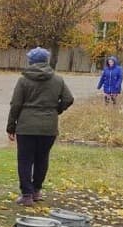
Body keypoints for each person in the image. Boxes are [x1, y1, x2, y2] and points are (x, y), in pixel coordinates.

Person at [7, 47, 74, 206]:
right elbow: (68, 99)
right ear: (46, 61)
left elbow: (15, 104)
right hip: (48, 127)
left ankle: (27, 194)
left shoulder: (23, 80)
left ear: (30, 61)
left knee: (25, 160)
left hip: (26, 126)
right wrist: (56, 110)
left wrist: (11, 126)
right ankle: (36, 190)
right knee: (42, 159)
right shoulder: (57, 80)